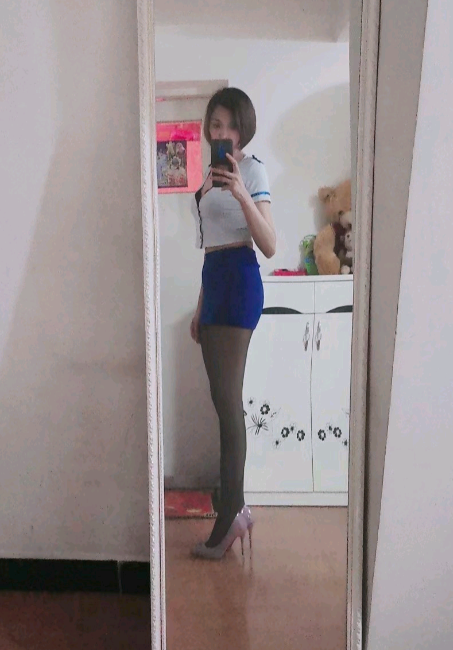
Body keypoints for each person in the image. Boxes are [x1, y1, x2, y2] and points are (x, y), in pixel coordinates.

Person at [190, 87, 276, 560]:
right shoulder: (208, 174)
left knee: (228, 404)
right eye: (215, 124)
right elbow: (211, 245)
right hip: (214, 284)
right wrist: (200, 306)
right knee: (221, 400)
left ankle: (230, 514)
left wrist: (242, 192)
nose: (221, 132)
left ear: (243, 130)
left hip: (240, 283)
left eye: (230, 125)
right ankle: (232, 505)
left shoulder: (253, 170)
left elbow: (270, 244)